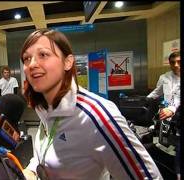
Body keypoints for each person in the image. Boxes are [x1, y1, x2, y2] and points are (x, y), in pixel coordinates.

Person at [20, 29, 161, 179]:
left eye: (43, 55)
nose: (32, 64)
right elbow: (46, 154)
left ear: (67, 62)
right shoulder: (44, 108)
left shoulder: (96, 115)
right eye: (27, 58)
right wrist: (32, 170)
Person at [146, 51, 180, 121]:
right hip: (165, 113)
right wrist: (147, 99)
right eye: (173, 62)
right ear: (170, 64)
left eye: (179, 61)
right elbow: (157, 92)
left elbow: (178, 97)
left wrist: (172, 109)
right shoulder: (164, 77)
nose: (176, 65)